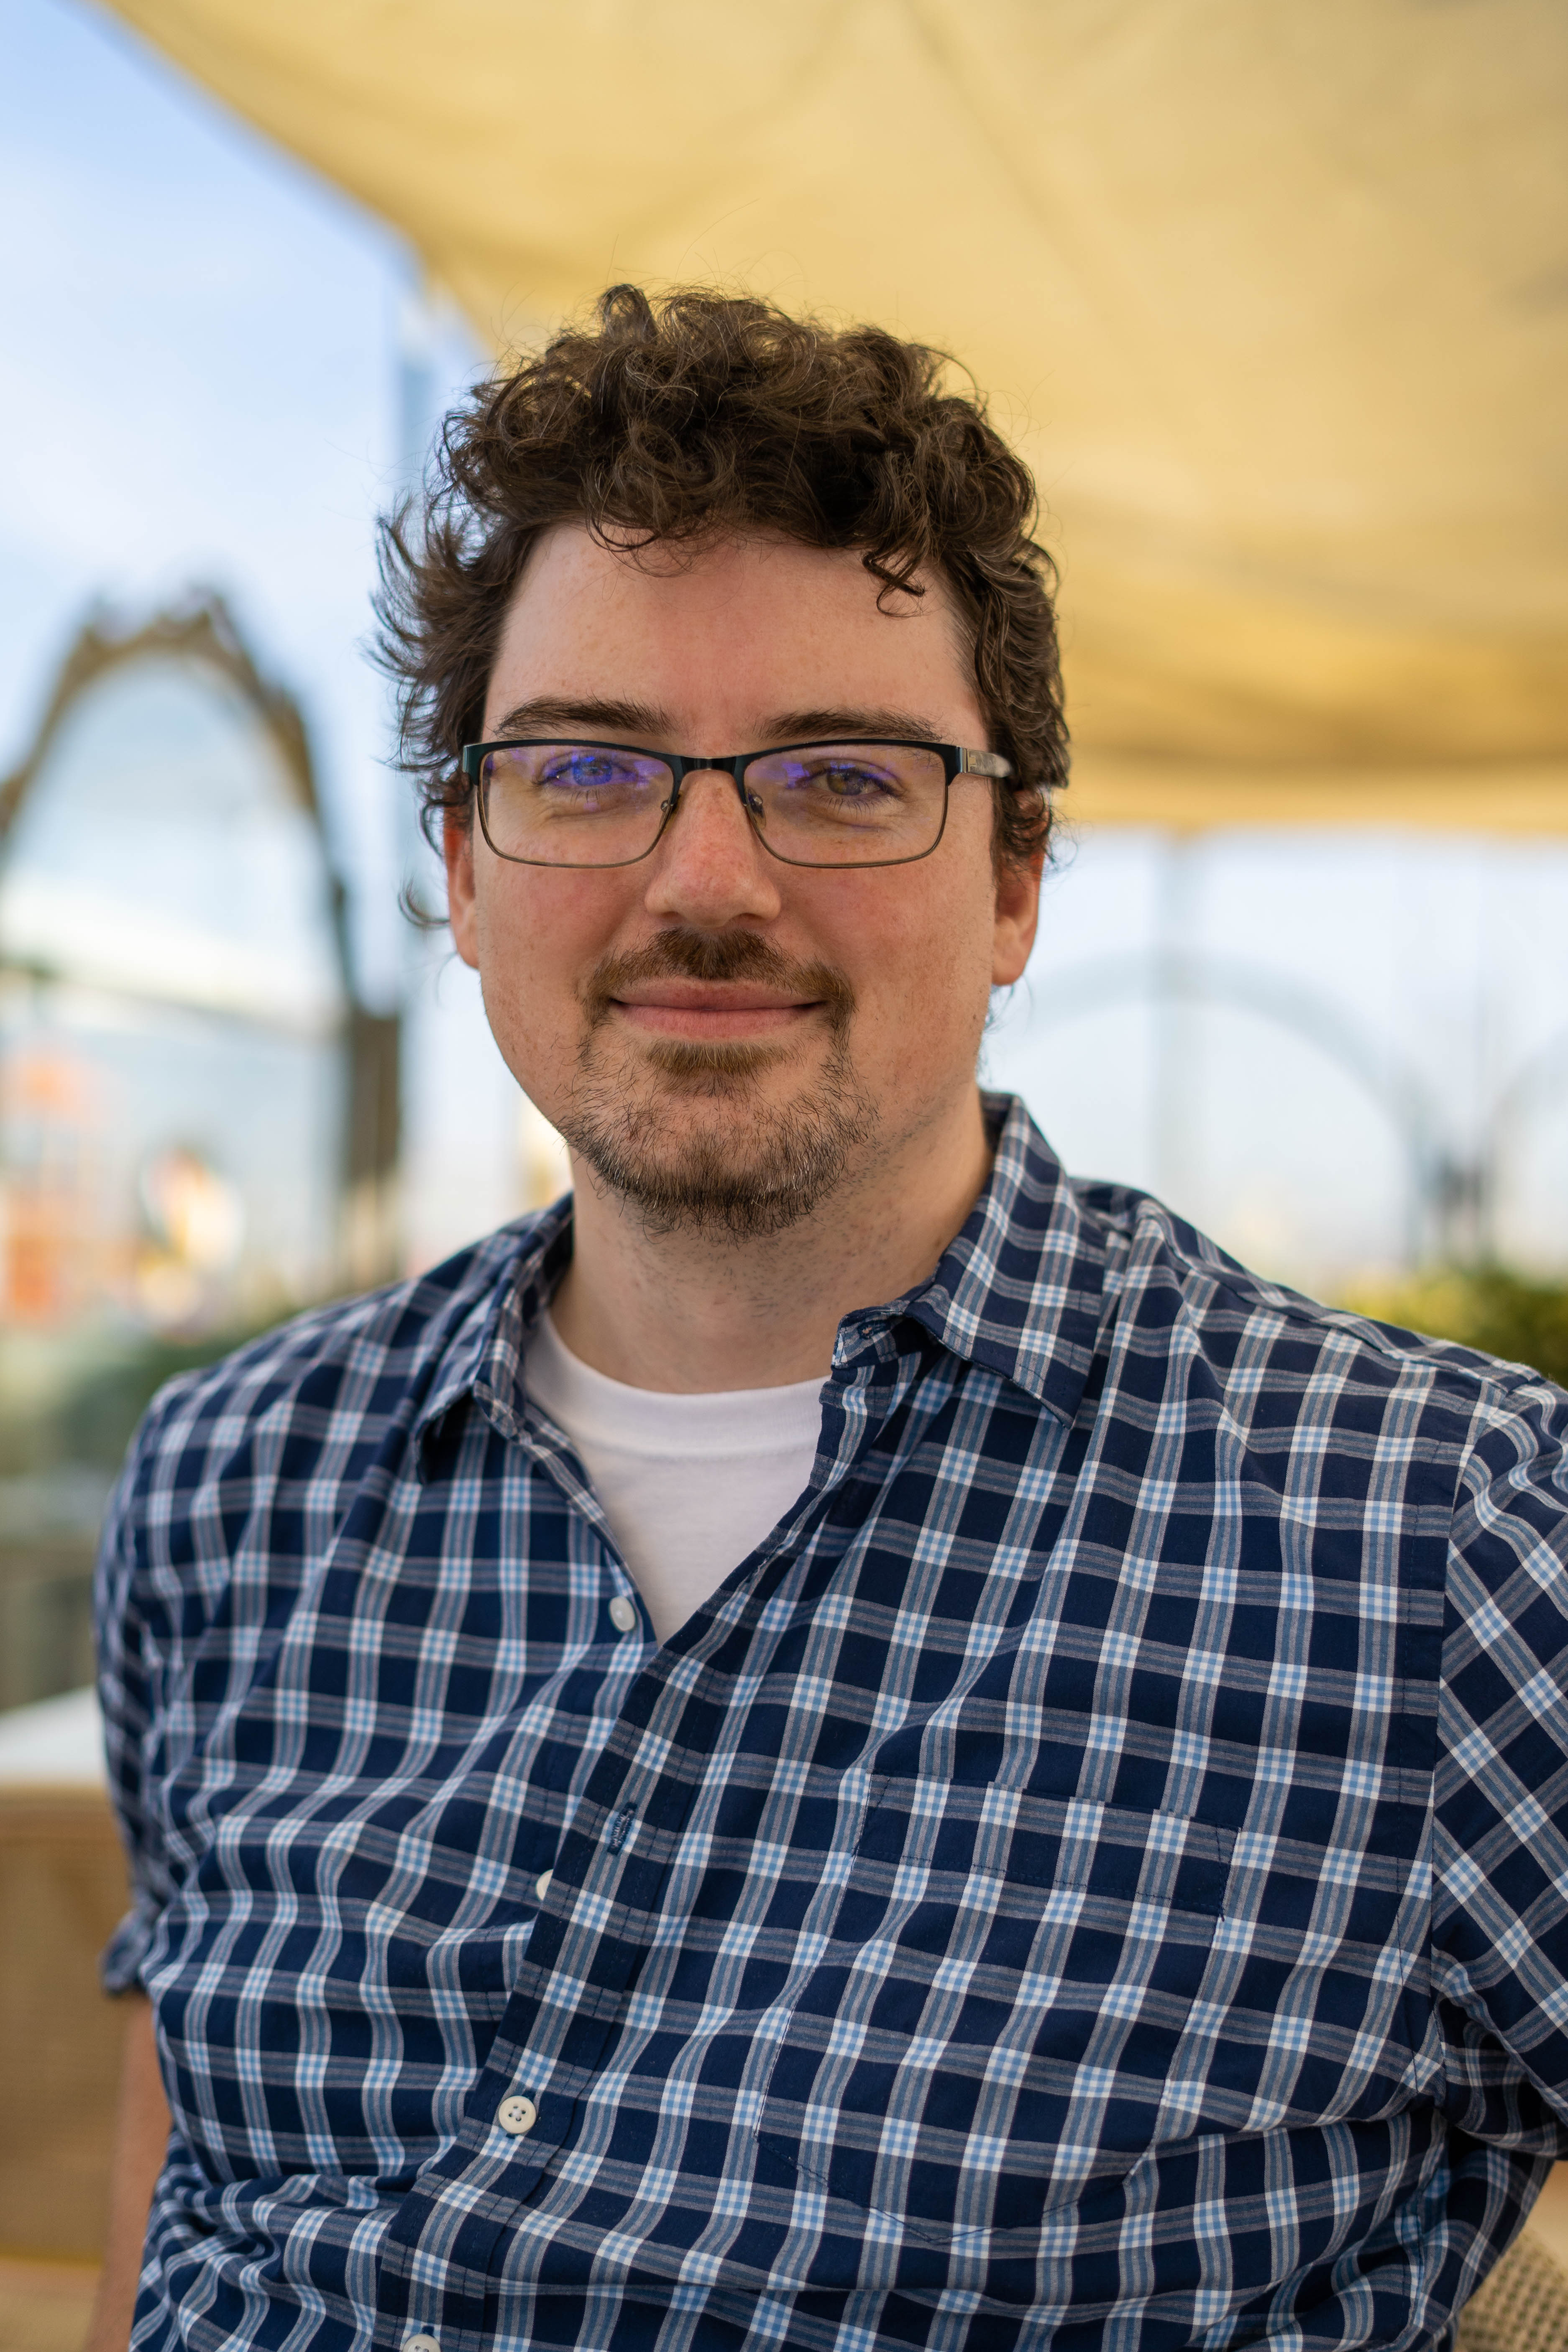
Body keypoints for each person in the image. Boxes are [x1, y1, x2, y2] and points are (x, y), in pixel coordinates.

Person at [90, 285, 1568, 2352]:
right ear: (462, 864)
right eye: (588, 767)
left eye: (842, 775)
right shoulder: (231, 1483)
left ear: (1015, 879)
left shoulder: (1451, 1539)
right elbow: (183, 2205)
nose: (706, 875)